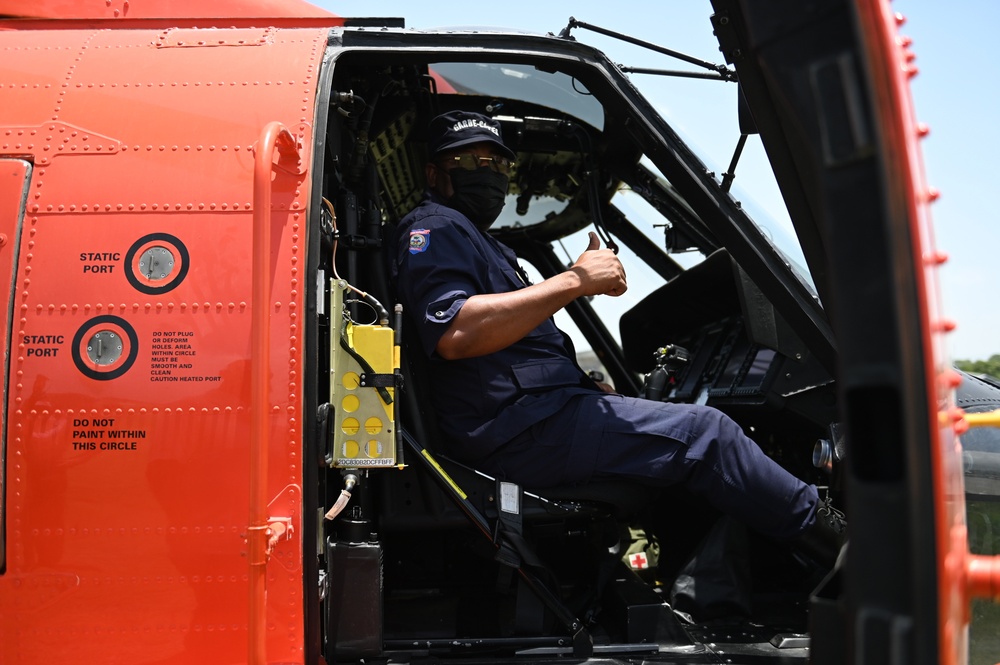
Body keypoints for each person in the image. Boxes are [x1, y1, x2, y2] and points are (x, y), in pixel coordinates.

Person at [390, 110, 844, 569]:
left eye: (499, 164)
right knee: (707, 434)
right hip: (516, 436)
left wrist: (584, 389)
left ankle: (703, 599)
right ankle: (848, 554)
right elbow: (455, 333)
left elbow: (506, 355)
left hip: (526, 423)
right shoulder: (437, 229)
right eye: (470, 162)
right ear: (435, 173)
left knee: (681, 451)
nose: (487, 173)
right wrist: (575, 280)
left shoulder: (474, 238)